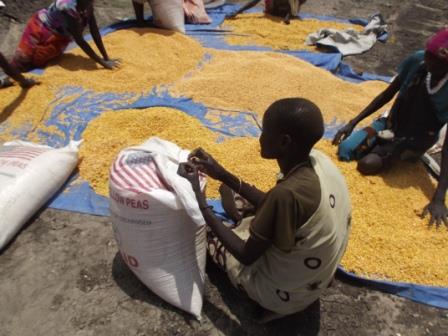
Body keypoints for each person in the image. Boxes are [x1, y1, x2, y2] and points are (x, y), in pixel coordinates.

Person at [178, 98, 351, 322]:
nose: (259, 137)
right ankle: (247, 223)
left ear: (284, 142)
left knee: (205, 231)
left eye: (264, 131)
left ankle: (273, 304)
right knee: (231, 192)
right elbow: (271, 200)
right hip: (317, 273)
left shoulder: (286, 195)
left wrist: (200, 201)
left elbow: (245, 255)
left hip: (285, 293)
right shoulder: (319, 162)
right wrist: (220, 172)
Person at [332, 28, 448, 226]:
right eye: (427, 54)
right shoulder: (417, 61)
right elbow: (387, 95)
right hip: (391, 122)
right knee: (346, 149)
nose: (427, 60)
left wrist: (438, 198)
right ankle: (380, 144)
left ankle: (402, 153)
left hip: (416, 137)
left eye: (433, 59)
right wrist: (353, 122)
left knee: (367, 165)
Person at [11, 0, 120, 72]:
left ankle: (31, 66)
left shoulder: (88, 5)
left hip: (60, 34)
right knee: (22, 59)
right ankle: (9, 77)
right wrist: (102, 62)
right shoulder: (68, 7)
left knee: (40, 61)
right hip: (42, 27)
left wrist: (106, 57)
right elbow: (80, 40)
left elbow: (94, 31)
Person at [225, 0, 307, 24]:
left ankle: (289, 15)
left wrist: (288, 17)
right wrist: (238, 12)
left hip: (289, 13)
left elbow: (300, 2)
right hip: (272, 12)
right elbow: (254, 2)